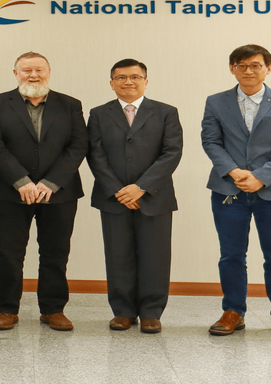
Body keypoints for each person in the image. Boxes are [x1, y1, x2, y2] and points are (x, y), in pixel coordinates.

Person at [200, 44, 271, 341]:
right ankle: (233, 311)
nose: (249, 71)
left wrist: (261, 177)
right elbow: (211, 142)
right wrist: (234, 172)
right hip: (227, 189)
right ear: (232, 68)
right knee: (231, 255)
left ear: (268, 68)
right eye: (242, 65)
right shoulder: (216, 102)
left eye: (255, 65)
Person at [0, 52, 88, 331]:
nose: (33, 75)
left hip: (59, 193)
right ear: (15, 73)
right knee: (8, 253)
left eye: (39, 70)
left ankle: (53, 310)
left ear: (49, 72)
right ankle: (7, 309)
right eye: (27, 70)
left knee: (55, 252)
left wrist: (50, 183)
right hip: (10, 191)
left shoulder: (70, 104)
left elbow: (78, 146)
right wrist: (22, 181)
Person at [86, 59, 182, 334]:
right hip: (113, 198)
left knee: (156, 256)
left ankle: (151, 312)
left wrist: (141, 187)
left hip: (154, 197)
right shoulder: (98, 113)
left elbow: (172, 152)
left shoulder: (165, 112)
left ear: (146, 81)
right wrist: (119, 190)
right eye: (121, 77)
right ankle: (123, 311)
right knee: (118, 256)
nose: (128, 82)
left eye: (135, 77)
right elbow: (95, 154)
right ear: (112, 82)